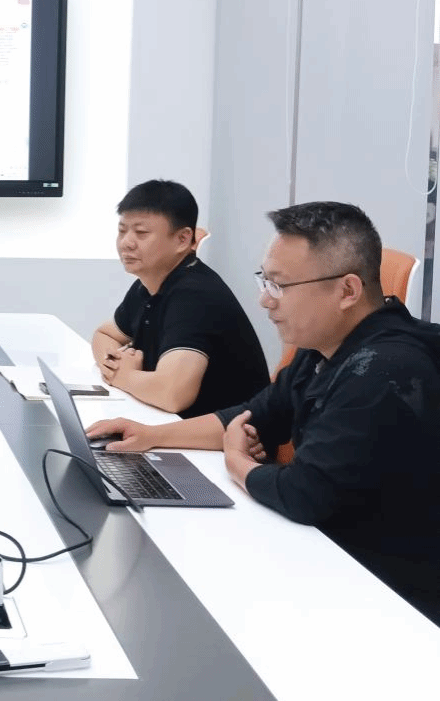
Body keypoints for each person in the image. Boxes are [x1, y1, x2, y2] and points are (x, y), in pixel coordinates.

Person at [88, 201, 440, 625]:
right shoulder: (324, 349)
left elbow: (303, 494)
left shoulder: (384, 370)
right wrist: (151, 435)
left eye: (279, 285)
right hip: (326, 557)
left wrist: (237, 462)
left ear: (347, 291)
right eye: (265, 280)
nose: (265, 300)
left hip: (389, 598)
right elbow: (254, 414)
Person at [91, 179, 269, 417]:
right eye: (122, 231)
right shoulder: (148, 283)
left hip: (230, 435)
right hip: (172, 425)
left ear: (183, 239)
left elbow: (173, 395)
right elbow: (104, 335)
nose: (126, 243)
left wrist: (124, 376)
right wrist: (113, 364)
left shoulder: (195, 296)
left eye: (141, 233)